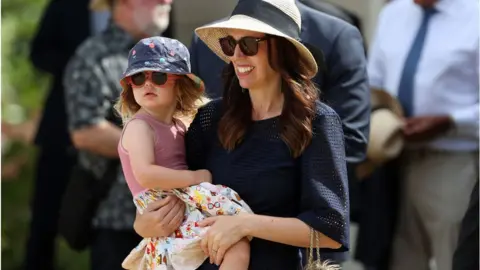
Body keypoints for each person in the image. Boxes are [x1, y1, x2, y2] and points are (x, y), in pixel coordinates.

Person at [134, 0, 349, 269]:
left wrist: (245, 224)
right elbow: (174, 193)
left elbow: (330, 231)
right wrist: (143, 223)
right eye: (229, 44)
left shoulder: (317, 121)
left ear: (281, 49)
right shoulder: (211, 119)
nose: (237, 55)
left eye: (248, 44)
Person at [116, 36, 252, 270]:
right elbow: (146, 175)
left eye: (159, 77)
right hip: (165, 206)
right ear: (130, 86)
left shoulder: (180, 126)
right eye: (138, 78)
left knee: (234, 240)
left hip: (183, 204)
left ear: (181, 85)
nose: (147, 84)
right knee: (236, 243)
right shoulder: (139, 126)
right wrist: (197, 177)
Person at [63, 0, 176, 269]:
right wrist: (157, 151)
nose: (167, 1)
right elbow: (86, 132)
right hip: (118, 223)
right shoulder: (92, 56)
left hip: (174, 223)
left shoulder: (169, 54)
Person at [367, 0, 479, 269]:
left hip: (452, 162)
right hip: (392, 159)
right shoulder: (394, 13)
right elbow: (372, 82)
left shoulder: (475, 15)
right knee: (400, 257)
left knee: (453, 257)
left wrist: (451, 121)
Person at [25, 0, 108, 268]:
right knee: (44, 214)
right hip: (61, 127)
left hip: (116, 129)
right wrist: (80, 67)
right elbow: (38, 53)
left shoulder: (144, 5)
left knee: (110, 220)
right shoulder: (64, 4)